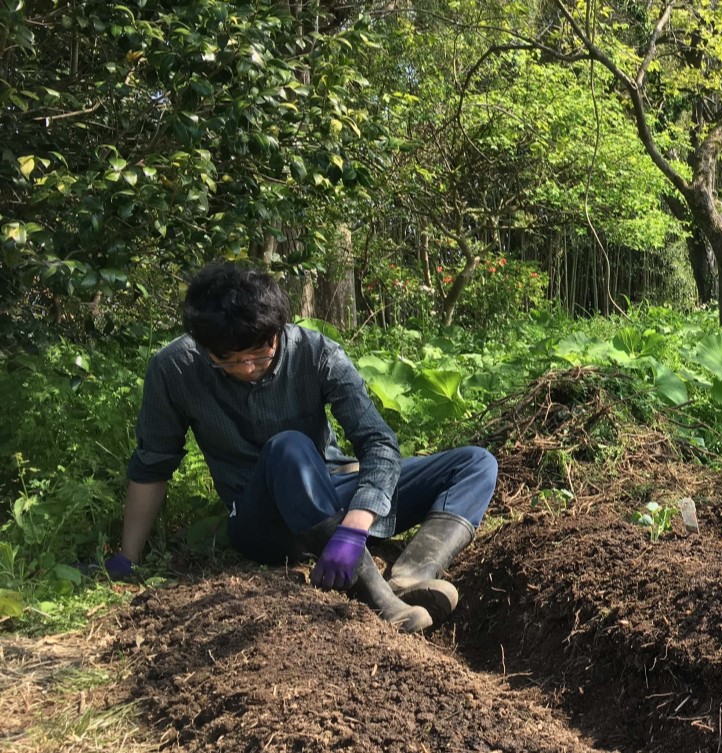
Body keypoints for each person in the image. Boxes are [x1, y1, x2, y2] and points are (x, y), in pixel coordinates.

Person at [107, 262, 498, 632]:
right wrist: (128, 556)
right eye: (228, 360)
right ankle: (379, 600)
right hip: (261, 519)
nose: (246, 368)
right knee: (287, 448)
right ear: (202, 344)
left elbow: (377, 441)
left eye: (259, 354)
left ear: (279, 329)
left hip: (330, 492)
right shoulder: (174, 367)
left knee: (475, 463)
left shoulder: (317, 353)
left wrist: (356, 526)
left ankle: (413, 574)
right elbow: (152, 464)